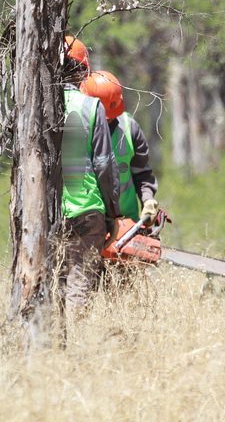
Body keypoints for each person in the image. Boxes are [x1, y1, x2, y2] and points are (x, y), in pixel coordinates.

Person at [61, 36, 121, 317]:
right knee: (78, 290)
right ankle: (76, 355)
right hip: (86, 211)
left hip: (46, 214)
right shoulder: (91, 107)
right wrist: (113, 215)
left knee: (49, 289)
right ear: (81, 71)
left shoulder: (31, 105)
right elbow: (104, 165)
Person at [80, 70, 159, 223]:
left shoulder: (129, 128)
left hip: (128, 223)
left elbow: (142, 174)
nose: (107, 122)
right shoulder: (76, 132)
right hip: (89, 226)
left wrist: (148, 201)